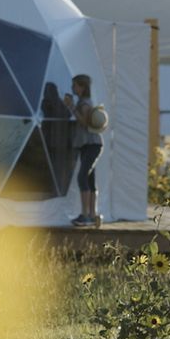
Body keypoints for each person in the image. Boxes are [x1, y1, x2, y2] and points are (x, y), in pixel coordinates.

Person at [64, 74, 103, 227]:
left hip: (91, 144)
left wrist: (71, 107)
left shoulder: (85, 104)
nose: (72, 88)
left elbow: (85, 123)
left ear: (82, 87)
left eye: (75, 85)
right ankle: (92, 215)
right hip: (89, 145)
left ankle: (85, 215)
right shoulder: (84, 102)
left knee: (82, 177)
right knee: (90, 179)